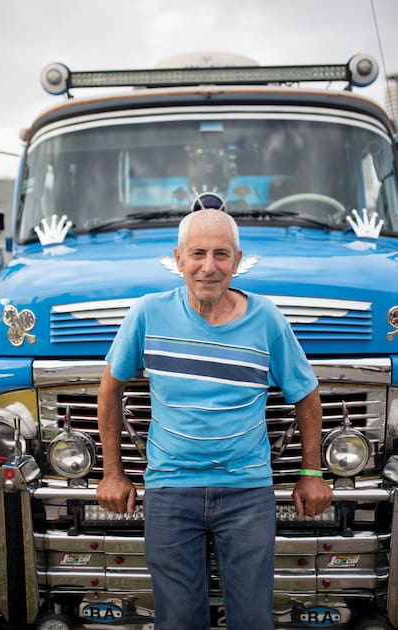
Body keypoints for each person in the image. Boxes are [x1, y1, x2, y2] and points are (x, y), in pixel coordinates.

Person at [96, 203, 333, 630]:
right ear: (178, 260)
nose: (209, 267)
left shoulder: (267, 318)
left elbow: (307, 393)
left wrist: (312, 471)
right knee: (179, 621)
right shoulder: (147, 313)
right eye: (198, 254)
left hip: (247, 492)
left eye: (221, 254)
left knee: (254, 619)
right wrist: (112, 472)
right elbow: (110, 389)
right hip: (170, 490)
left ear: (238, 262)